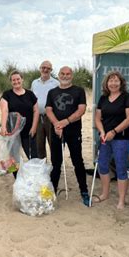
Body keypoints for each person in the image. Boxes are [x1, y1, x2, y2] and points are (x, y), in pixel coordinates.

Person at [46, 66, 90, 206]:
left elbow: (81, 110)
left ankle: (84, 191)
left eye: (68, 74)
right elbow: (48, 109)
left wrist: (66, 122)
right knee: (56, 162)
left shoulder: (79, 91)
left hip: (74, 131)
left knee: (78, 162)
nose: (65, 76)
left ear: (72, 75)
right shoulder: (52, 92)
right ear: (58, 75)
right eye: (62, 74)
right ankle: (52, 190)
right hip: (56, 131)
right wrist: (57, 124)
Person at [93, 71, 129, 209]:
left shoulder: (127, 97)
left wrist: (114, 131)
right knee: (102, 165)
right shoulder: (103, 98)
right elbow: (97, 118)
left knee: (121, 167)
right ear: (106, 83)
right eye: (110, 81)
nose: (113, 83)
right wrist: (102, 131)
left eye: (116, 80)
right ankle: (105, 194)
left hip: (121, 138)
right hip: (105, 138)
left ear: (121, 83)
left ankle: (121, 200)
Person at [0, 70, 39, 170]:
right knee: (14, 160)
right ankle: (17, 180)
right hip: (13, 133)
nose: (16, 81)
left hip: (29, 131)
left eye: (18, 79)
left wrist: (34, 127)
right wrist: (4, 127)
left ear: (22, 79)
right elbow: (4, 111)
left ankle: (35, 178)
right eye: (13, 80)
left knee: (33, 157)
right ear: (11, 82)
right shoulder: (7, 94)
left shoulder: (30, 94)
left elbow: (36, 111)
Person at [31, 60, 59, 160]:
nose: (45, 70)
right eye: (43, 67)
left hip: (50, 117)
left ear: (51, 70)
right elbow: (32, 100)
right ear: (40, 69)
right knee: (39, 144)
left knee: (53, 143)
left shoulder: (56, 83)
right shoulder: (34, 83)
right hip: (37, 117)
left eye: (48, 68)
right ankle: (42, 168)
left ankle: (55, 167)